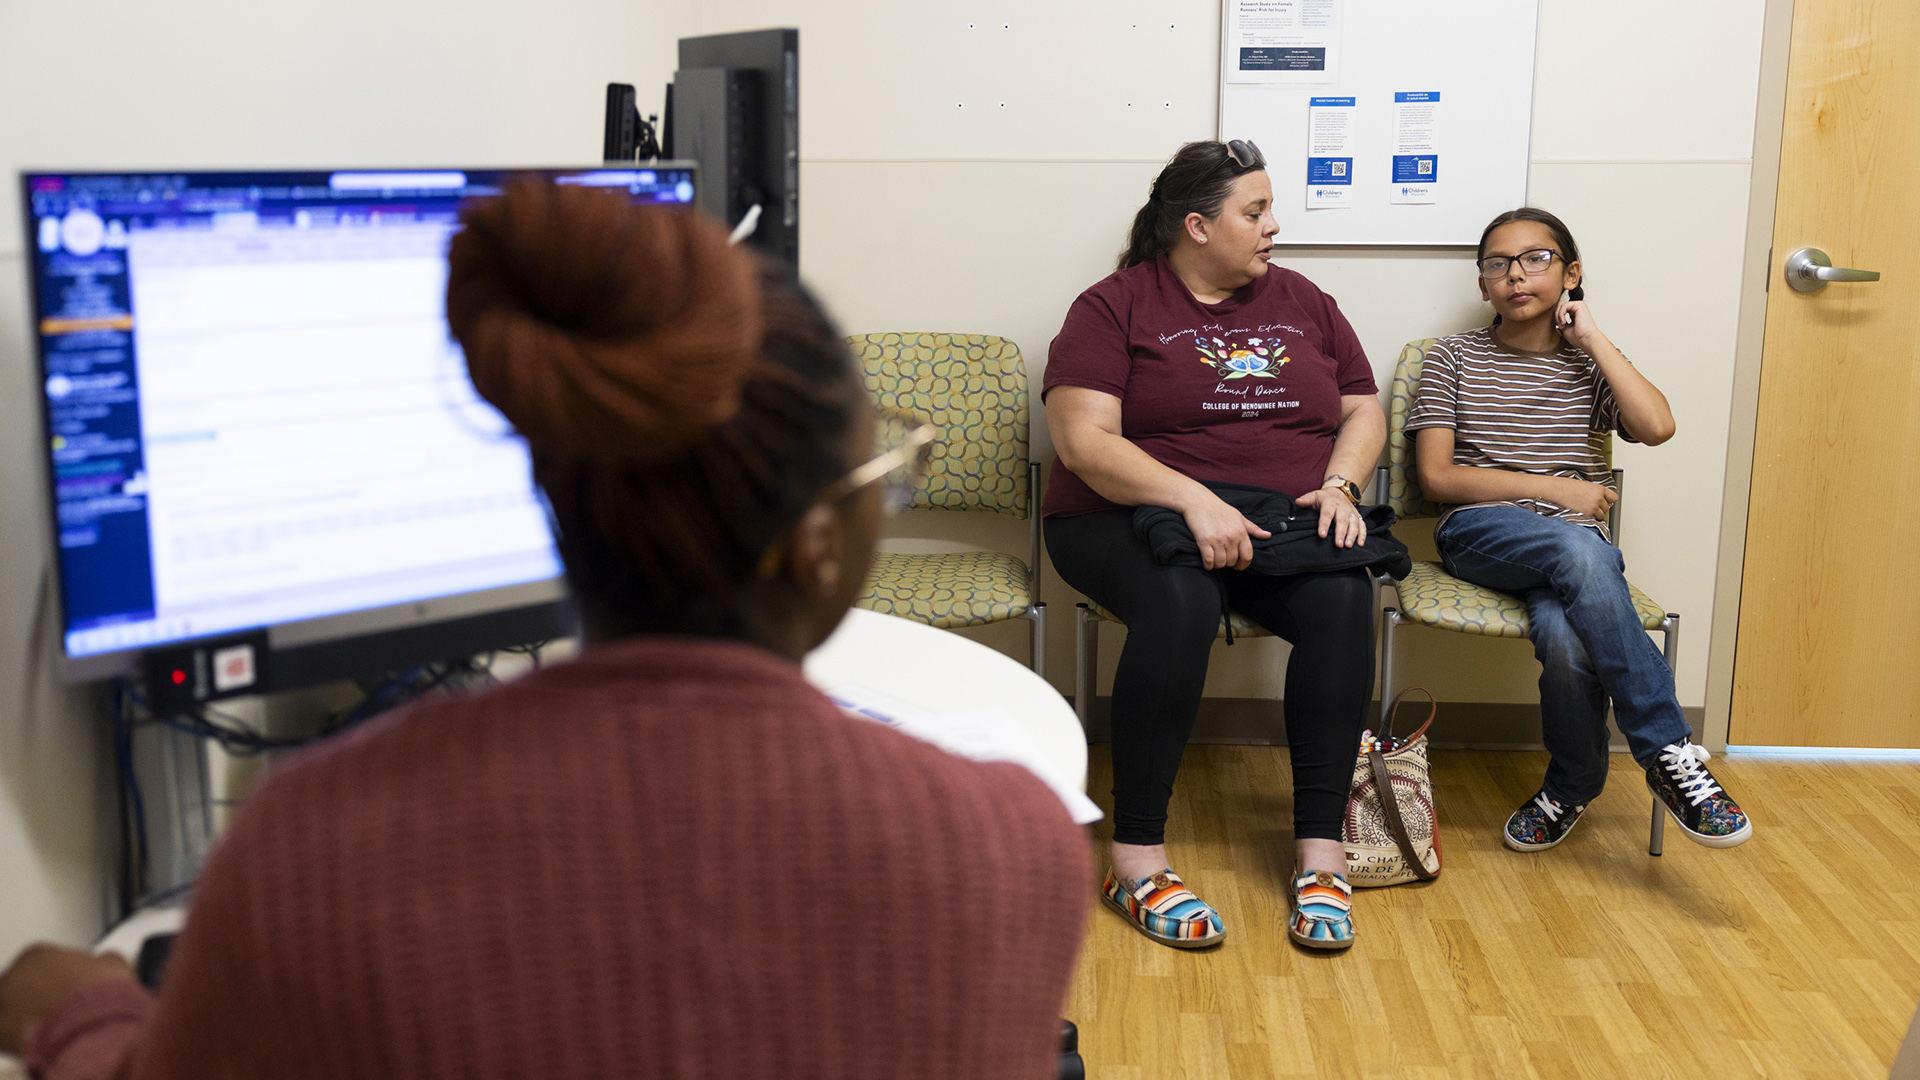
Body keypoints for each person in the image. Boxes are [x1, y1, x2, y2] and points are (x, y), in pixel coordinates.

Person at [0, 180, 1090, 1078]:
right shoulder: (1008, 846)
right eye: (888, 469)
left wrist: (84, 1022)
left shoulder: (305, 853)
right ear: (817, 547)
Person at [1044, 140, 1387, 951]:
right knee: (1179, 600)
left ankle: (1321, 852)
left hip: (1276, 517)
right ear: (1196, 226)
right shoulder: (1114, 305)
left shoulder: (1304, 299)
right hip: (1118, 518)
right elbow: (1082, 440)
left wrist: (1340, 486)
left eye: (1270, 209)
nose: (1275, 226)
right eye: (1255, 212)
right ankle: (1134, 857)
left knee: (1344, 597)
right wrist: (1191, 499)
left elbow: (1361, 408)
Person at [1406, 206, 1751, 853]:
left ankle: (1570, 786)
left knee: (1567, 638)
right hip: (1480, 533)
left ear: (1571, 272)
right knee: (1579, 547)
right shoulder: (1451, 357)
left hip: (1577, 551)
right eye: (1497, 264)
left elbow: (1657, 427)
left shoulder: (1589, 363)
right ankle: (1668, 750)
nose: (1515, 275)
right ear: (1483, 284)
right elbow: (1438, 480)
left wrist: (1593, 338)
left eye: (1536, 259)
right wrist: (1553, 489)